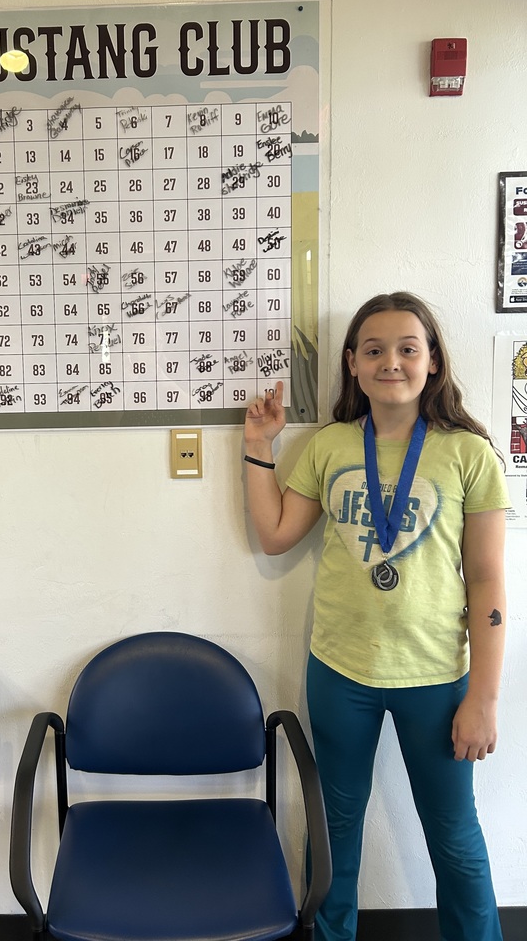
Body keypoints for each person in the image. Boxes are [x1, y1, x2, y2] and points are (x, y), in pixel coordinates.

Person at [244, 292, 508, 941]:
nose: (391, 361)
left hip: (436, 677)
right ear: (353, 365)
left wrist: (484, 697)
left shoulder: (468, 454)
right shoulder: (332, 445)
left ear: (434, 362)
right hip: (340, 670)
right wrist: (258, 446)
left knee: (454, 835)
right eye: (374, 350)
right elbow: (277, 533)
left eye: (407, 348)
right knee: (334, 832)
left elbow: (486, 580)